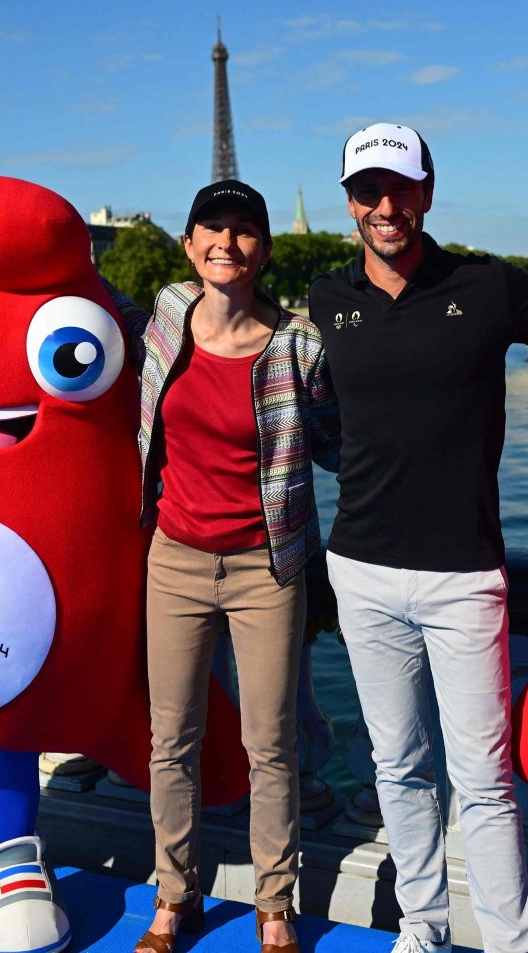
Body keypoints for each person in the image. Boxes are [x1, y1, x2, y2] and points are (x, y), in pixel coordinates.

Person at [310, 124, 528, 953]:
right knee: (399, 770)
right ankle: (424, 930)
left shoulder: (487, 288)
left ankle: (510, 945)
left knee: (483, 783)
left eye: (400, 189)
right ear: (349, 200)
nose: (385, 206)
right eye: (369, 190)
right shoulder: (323, 299)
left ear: (428, 193)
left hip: (462, 575)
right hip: (361, 569)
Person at [135, 179, 340, 953]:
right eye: (211, 228)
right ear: (189, 246)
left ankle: (274, 904)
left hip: (267, 566)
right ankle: (174, 895)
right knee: (171, 739)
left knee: (272, 744)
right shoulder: (164, 314)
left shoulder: (300, 345)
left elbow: (339, 443)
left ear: (264, 249)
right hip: (175, 558)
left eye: (243, 230)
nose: (226, 241)